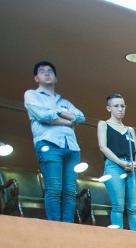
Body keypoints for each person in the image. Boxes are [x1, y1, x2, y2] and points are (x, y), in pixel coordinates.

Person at [23, 61, 85, 222]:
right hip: (49, 144)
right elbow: (44, 116)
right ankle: (55, 226)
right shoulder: (32, 95)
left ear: (56, 78)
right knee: (54, 188)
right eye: (42, 71)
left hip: (71, 147)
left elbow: (80, 117)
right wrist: (65, 116)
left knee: (70, 191)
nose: (47, 73)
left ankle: (68, 226)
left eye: (50, 71)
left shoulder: (64, 101)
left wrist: (57, 113)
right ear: (36, 78)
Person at [95, 92, 136, 230]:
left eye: (122, 106)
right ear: (109, 108)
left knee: (134, 207)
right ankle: (118, 236)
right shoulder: (104, 124)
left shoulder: (130, 129)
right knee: (118, 205)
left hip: (132, 167)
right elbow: (103, 147)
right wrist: (120, 162)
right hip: (114, 165)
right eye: (116, 106)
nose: (120, 109)